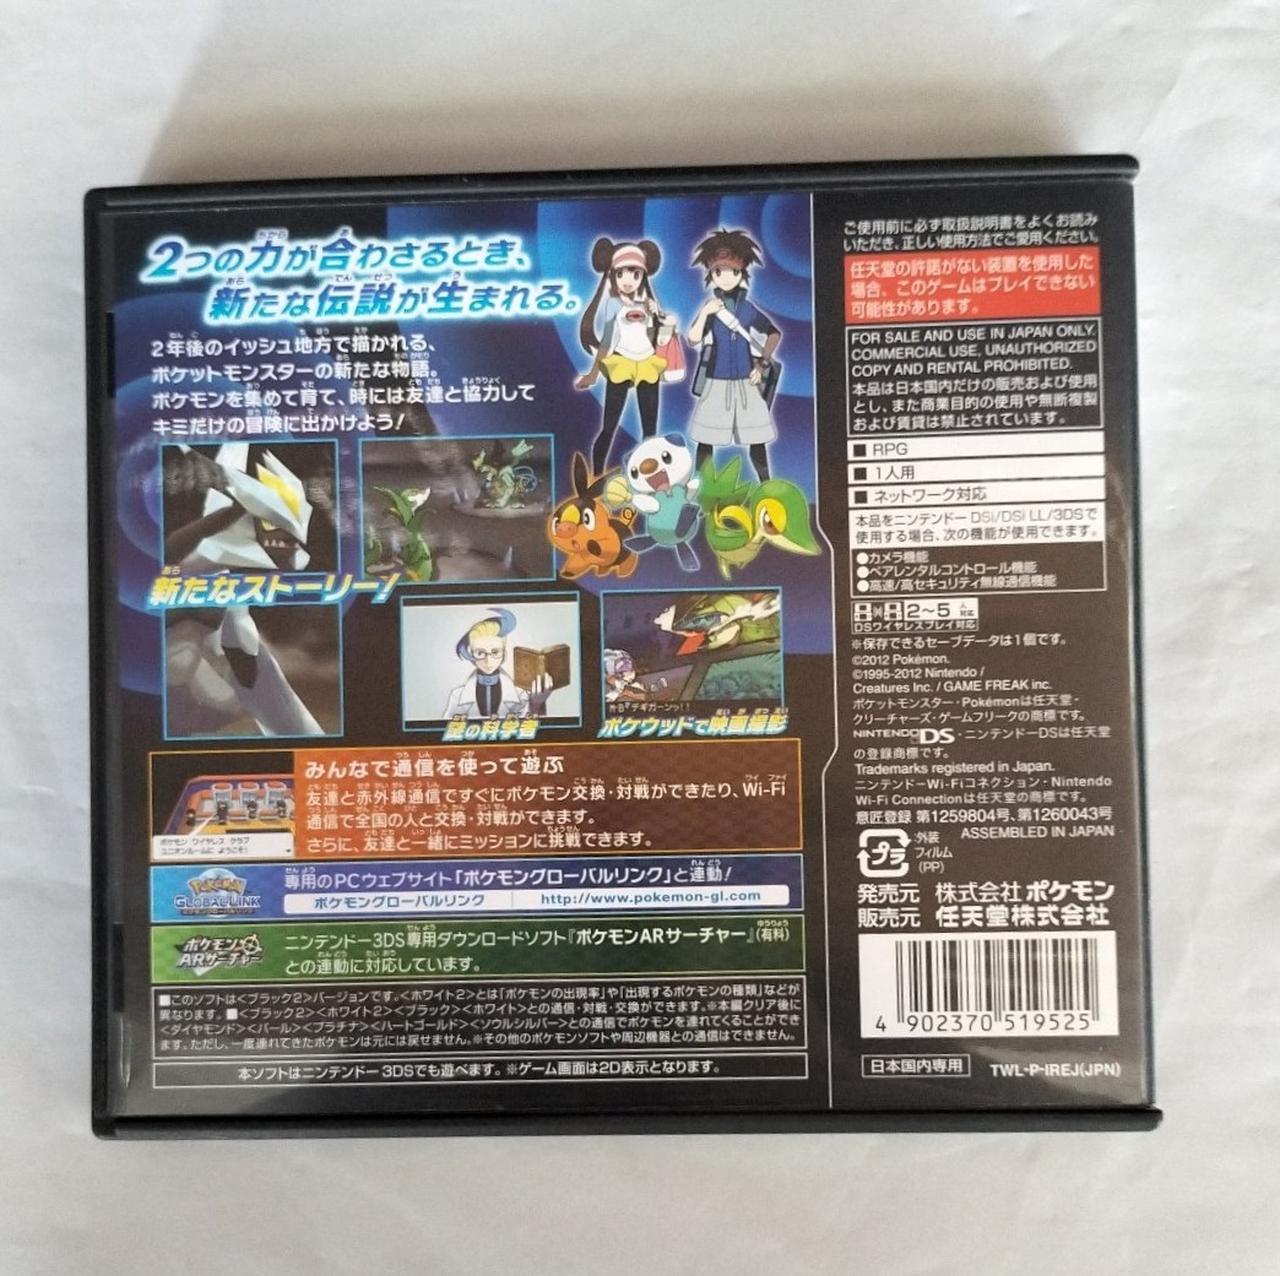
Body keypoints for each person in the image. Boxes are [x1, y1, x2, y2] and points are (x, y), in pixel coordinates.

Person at [686, 228, 781, 481]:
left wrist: (762, 364)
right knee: (706, 439)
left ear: (742, 272)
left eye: (734, 271)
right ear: (711, 274)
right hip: (716, 382)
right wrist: (705, 313)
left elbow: (774, 333)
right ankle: (697, 488)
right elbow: (692, 338)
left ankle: (767, 486)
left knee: (757, 438)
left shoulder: (748, 309)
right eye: (719, 271)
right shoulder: (711, 308)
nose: (726, 277)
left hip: (746, 381)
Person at [574, 238, 675, 473]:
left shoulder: (649, 303)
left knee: (650, 430)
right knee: (609, 426)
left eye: (635, 274)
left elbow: (660, 340)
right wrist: (593, 374)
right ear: (612, 275)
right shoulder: (612, 304)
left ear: (642, 276)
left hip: (647, 363)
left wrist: (662, 319)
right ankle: (596, 475)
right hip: (621, 363)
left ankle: (651, 477)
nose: (627, 281)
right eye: (621, 274)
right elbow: (607, 341)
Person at [442, 608, 549, 719]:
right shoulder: (457, 695)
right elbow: (444, 726)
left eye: (495, 652)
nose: (488, 660)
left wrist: (537, 703)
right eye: (480, 653)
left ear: (504, 654)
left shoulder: (520, 694)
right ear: (472, 656)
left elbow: (532, 724)